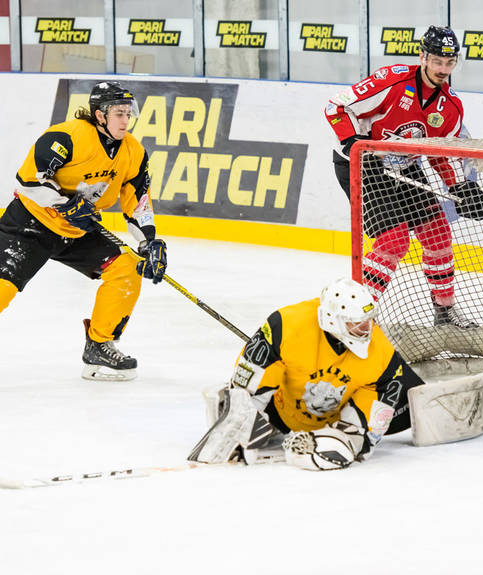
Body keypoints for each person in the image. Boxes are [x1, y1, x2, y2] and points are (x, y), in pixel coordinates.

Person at [0, 80, 167, 381]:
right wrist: (65, 204)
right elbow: (30, 180)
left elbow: (137, 201)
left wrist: (149, 242)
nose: (125, 120)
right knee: (3, 287)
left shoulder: (133, 152)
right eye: (119, 113)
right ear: (100, 115)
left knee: (127, 269)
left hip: (77, 230)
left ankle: (100, 345)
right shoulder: (67, 137)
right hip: (31, 223)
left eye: (128, 114)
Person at [324, 25, 483, 328]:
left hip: (404, 166)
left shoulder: (450, 106)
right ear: (423, 56)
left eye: (449, 63)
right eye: (437, 61)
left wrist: (459, 188)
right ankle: (357, 317)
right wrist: (352, 141)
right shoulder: (393, 80)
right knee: (393, 240)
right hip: (362, 163)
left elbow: (441, 153)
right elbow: (335, 106)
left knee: (438, 232)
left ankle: (445, 312)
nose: (443, 69)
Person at [188, 278, 426, 471]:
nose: (367, 329)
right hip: (278, 410)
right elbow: (247, 383)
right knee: (233, 412)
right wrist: (240, 415)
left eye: (368, 320)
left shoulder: (381, 353)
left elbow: (369, 422)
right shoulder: (287, 325)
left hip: (331, 419)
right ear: (334, 320)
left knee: (349, 442)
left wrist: (349, 438)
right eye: (357, 323)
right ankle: (231, 409)